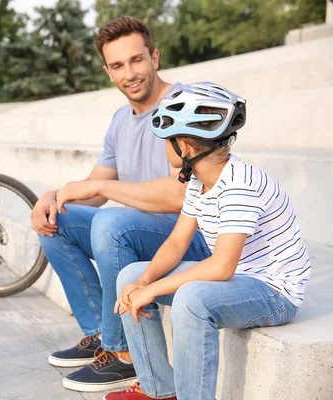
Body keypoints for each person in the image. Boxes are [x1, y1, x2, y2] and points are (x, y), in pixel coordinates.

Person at [30, 17, 211, 392]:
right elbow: (96, 187)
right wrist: (52, 197)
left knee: (111, 223)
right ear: (107, 71)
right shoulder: (120, 120)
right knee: (57, 220)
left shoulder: (184, 103)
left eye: (136, 60)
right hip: (144, 233)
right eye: (117, 65)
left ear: (154, 57)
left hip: (193, 238)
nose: (129, 73)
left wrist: (101, 188)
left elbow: (182, 195)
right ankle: (101, 335)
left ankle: (123, 352)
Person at [106, 82, 310, 400]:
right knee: (129, 276)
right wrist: (143, 281)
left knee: (193, 299)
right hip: (239, 280)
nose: (163, 146)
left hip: (273, 292)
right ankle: (159, 390)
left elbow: (221, 267)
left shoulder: (239, 184)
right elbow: (176, 242)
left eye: (166, 139)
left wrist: (154, 289)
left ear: (184, 146)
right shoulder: (199, 180)